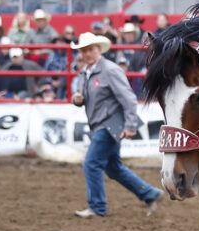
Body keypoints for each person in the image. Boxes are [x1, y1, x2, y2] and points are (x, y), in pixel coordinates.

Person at [70, 32, 164, 218]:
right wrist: (77, 99)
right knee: (113, 167)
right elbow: (82, 97)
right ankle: (149, 193)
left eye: (90, 49)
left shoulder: (110, 70)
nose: (87, 53)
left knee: (91, 163)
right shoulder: (85, 72)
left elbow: (128, 98)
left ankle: (97, 207)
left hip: (110, 125)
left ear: (98, 49)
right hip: (102, 124)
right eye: (84, 50)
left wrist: (130, 125)